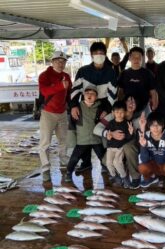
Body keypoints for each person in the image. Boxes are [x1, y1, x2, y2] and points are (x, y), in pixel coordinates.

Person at [70, 41, 117, 172]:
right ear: (91, 55)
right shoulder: (83, 71)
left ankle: (104, 163)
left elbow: (112, 94)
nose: (99, 55)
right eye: (96, 53)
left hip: (103, 106)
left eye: (101, 53)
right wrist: (74, 106)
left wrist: (107, 110)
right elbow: (75, 91)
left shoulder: (111, 72)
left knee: (102, 135)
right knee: (84, 134)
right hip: (85, 106)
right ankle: (85, 162)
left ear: (105, 55)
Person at [93, 95, 142, 189]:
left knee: (128, 147)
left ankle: (135, 177)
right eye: (129, 101)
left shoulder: (138, 116)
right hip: (114, 145)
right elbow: (96, 129)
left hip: (128, 142)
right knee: (105, 161)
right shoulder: (113, 115)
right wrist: (110, 133)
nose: (131, 104)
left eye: (134, 102)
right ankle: (118, 174)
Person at [38, 51, 72, 182]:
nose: (60, 63)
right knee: (45, 142)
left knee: (63, 140)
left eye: (63, 61)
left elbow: (69, 93)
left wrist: (71, 106)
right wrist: (60, 86)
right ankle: (46, 168)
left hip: (62, 113)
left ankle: (64, 161)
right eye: (58, 61)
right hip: (48, 113)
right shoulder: (44, 75)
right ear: (52, 62)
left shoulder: (67, 76)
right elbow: (44, 91)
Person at [65, 84, 103, 182]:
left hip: (96, 139)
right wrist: (72, 141)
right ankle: (69, 172)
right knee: (74, 158)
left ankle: (107, 169)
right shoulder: (77, 107)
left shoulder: (100, 108)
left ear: (97, 96)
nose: (89, 95)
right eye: (87, 93)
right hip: (82, 140)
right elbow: (71, 126)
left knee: (103, 156)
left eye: (93, 93)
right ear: (83, 95)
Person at [138, 111, 165, 192]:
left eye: (158, 125)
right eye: (152, 125)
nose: (155, 128)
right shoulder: (145, 136)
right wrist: (143, 146)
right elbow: (144, 160)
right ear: (149, 126)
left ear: (163, 125)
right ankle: (150, 178)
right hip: (153, 166)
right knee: (142, 167)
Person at [118, 46, 158, 114]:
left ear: (142, 59)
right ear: (129, 58)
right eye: (133, 57)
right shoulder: (124, 73)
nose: (136, 59)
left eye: (139, 57)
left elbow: (153, 92)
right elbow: (120, 92)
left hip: (144, 108)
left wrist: (154, 106)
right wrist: (120, 106)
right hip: (127, 108)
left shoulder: (148, 73)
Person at [106, 101, 133, 188]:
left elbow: (128, 138)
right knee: (109, 163)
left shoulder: (127, 123)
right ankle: (115, 177)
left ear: (125, 112)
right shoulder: (110, 123)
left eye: (121, 112)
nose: (119, 114)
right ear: (113, 113)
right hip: (110, 148)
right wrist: (109, 137)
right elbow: (108, 135)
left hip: (120, 148)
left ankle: (124, 177)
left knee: (117, 162)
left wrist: (131, 133)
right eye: (117, 112)